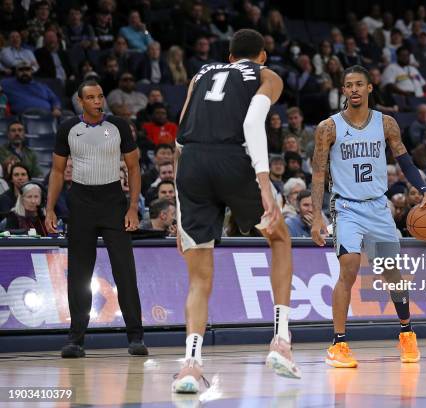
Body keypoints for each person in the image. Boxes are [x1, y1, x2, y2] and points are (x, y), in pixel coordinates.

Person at [172, 29, 301, 392]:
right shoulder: (266, 75)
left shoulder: (200, 75)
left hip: (192, 165)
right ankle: (280, 340)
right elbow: (250, 123)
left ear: (229, 57)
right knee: (280, 238)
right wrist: (263, 183)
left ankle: (191, 366)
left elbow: (179, 137)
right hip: (234, 160)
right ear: (261, 56)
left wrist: (180, 209)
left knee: (199, 276)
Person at [310, 65, 426, 368]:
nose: (354, 90)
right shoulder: (328, 128)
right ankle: (339, 343)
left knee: (391, 273)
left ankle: (407, 332)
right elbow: (319, 173)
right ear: (343, 90)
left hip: (378, 208)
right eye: (348, 85)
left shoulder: (386, 124)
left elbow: (405, 160)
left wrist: (424, 190)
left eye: (360, 84)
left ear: (370, 88)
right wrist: (318, 215)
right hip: (346, 208)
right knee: (349, 268)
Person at [45, 80, 147, 359]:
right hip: (80, 203)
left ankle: (135, 337)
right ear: (80, 101)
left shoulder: (118, 126)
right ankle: (75, 340)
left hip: (113, 202)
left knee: (125, 271)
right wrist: (50, 208)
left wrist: (132, 208)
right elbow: (56, 171)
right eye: (90, 97)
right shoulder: (68, 127)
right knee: (79, 274)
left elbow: (134, 167)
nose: (97, 101)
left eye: (100, 96)